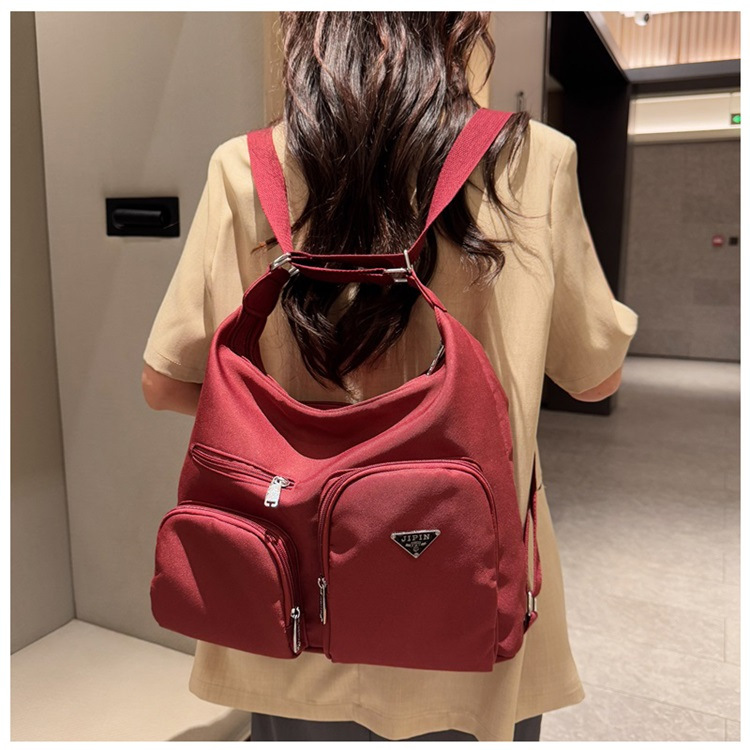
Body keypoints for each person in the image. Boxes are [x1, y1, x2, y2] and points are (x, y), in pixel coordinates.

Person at [141, 11, 638, 742]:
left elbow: (165, 382)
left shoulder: (244, 167)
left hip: (294, 617)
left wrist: (300, 439)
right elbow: (595, 377)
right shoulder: (533, 159)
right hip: (467, 606)